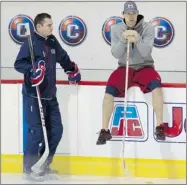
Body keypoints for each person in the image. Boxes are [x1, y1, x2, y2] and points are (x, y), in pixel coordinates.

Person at [14, 13, 81, 181]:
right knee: (36, 133)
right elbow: (19, 63)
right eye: (49, 25)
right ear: (39, 27)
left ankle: (43, 166)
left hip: (50, 96)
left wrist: (71, 69)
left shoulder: (52, 41)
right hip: (33, 96)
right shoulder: (29, 43)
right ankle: (28, 169)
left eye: (51, 24)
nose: (52, 27)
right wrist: (32, 72)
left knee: (56, 131)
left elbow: (62, 57)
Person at [96, 1, 166, 145]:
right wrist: (123, 39)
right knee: (109, 91)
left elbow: (146, 52)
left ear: (137, 13)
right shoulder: (116, 29)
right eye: (128, 13)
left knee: (157, 87)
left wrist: (137, 37)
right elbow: (115, 54)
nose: (131, 16)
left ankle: (160, 126)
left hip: (145, 66)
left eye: (133, 13)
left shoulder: (148, 27)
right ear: (123, 14)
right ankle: (104, 130)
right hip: (124, 67)